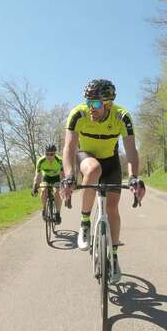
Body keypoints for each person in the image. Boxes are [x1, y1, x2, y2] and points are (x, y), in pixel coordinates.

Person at [60, 79, 145, 283]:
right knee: (93, 169)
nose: (91, 108)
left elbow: (131, 151)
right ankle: (85, 222)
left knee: (113, 208)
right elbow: (69, 149)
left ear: (108, 103)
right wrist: (70, 175)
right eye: (88, 102)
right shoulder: (78, 115)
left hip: (112, 161)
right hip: (86, 156)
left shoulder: (121, 116)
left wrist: (133, 177)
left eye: (96, 104)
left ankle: (114, 257)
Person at [32, 144, 64, 224]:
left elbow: (62, 175)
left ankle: (57, 213)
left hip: (56, 177)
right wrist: (35, 187)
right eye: (47, 154)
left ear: (55, 154)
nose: (49, 156)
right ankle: (44, 209)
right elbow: (37, 175)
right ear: (44, 153)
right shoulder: (41, 161)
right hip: (46, 177)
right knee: (43, 191)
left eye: (51, 154)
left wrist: (63, 186)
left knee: (57, 192)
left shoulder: (59, 161)